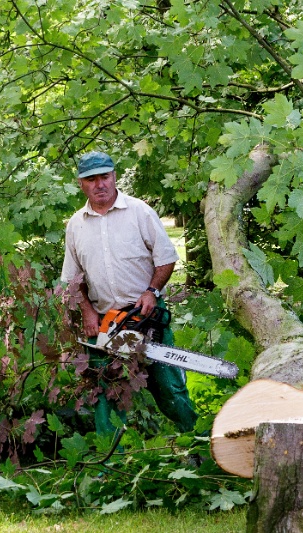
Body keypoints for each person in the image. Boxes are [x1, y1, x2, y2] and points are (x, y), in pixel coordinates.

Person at [61, 151, 198, 436]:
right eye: (92, 179)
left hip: (144, 315)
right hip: (105, 321)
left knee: (168, 388)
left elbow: (165, 258)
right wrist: (85, 309)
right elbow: (72, 279)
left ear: (114, 176)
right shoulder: (76, 224)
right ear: (81, 184)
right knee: (105, 396)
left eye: (105, 177)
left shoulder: (139, 212)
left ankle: (196, 439)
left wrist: (151, 291)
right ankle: (109, 465)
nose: (100, 184)